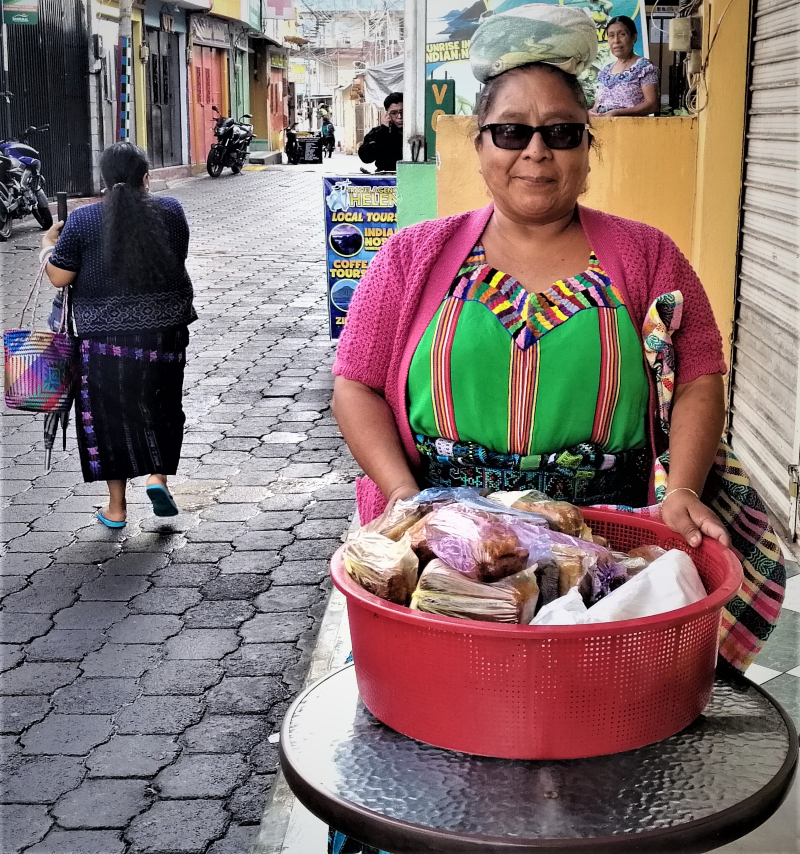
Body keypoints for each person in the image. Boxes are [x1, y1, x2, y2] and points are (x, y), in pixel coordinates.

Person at [332, 3, 784, 677]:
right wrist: (402, 495)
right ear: (479, 144)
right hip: (452, 551)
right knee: (454, 726)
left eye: (561, 133)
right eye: (511, 131)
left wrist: (683, 488)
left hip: (605, 554)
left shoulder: (647, 256)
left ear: (588, 142)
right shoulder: (411, 258)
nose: (535, 151)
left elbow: (699, 375)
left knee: (596, 723)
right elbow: (357, 383)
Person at [41, 142, 195, 528]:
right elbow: (179, 257)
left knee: (109, 420)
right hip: (166, 336)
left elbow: (59, 277)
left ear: (104, 182)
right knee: (162, 407)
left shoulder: (83, 220)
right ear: (146, 177)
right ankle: (157, 478)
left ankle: (116, 507)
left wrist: (47, 246)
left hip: (105, 343)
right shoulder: (172, 212)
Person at [590, 15, 659, 116]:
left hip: (631, 129)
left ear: (634, 38)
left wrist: (618, 113)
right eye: (611, 36)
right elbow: (599, 103)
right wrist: (592, 111)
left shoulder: (644, 67)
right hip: (603, 129)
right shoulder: (605, 71)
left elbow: (652, 105)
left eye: (622, 34)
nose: (616, 41)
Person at [358, 92, 403, 172]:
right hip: (387, 179)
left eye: (402, 112)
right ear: (387, 113)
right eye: (394, 113)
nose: (399, 117)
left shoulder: (418, 131)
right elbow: (366, 158)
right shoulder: (378, 132)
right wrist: (384, 130)